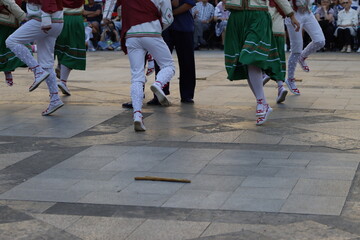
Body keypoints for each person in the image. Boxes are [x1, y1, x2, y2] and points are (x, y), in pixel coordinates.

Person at [104, 0, 175, 131]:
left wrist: (106, 16)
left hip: (131, 34)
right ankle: (158, 84)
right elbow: (168, 18)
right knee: (168, 66)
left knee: (136, 76)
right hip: (152, 32)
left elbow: (118, 10)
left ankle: (137, 115)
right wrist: (156, 28)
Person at [224, 0, 299, 125]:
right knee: (245, 62)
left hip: (258, 15)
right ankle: (263, 103)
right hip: (237, 16)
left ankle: (260, 102)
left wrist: (291, 15)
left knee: (251, 57)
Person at [6, 0, 64, 116]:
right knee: (46, 62)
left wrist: (46, 18)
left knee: (11, 41)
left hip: (43, 19)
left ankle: (37, 71)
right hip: (57, 21)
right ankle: (55, 99)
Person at [263, 0, 300, 104]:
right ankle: (280, 87)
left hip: (264, 28)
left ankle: (265, 72)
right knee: (278, 59)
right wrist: (292, 16)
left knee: (261, 55)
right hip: (278, 29)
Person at [285, 0, 326, 95]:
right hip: (293, 14)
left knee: (320, 41)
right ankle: (290, 79)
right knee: (296, 50)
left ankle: (302, 57)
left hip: (307, 13)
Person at [55, 0, 86, 96]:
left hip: (59, 17)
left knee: (61, 47)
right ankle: (63, 81)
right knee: (72, 50)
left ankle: (59, 67)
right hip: (75, 18)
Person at [0, 0, 26, 87]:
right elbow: (9, 3)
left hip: (11, 21)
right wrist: (24, 17)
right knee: (4, 48)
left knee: (6, 48)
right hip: (4, 20)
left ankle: (8, 71)